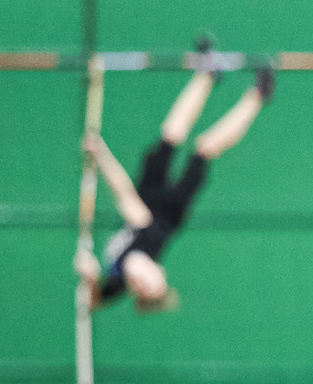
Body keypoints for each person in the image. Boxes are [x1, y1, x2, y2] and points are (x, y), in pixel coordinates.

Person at [76, 44, 273, 314]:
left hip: (147, 194)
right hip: (171, 207)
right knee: (205, 147)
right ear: (158, 270)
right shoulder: (147, 237)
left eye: (144, 286)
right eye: (155, 279)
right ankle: (258, 95)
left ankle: (208, 74)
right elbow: (122, 193)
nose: (144, 278)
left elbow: (94, 302)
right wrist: (100, 155)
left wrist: (89, 277)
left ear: (134, 290)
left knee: (170, 134)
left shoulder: (116, 281)